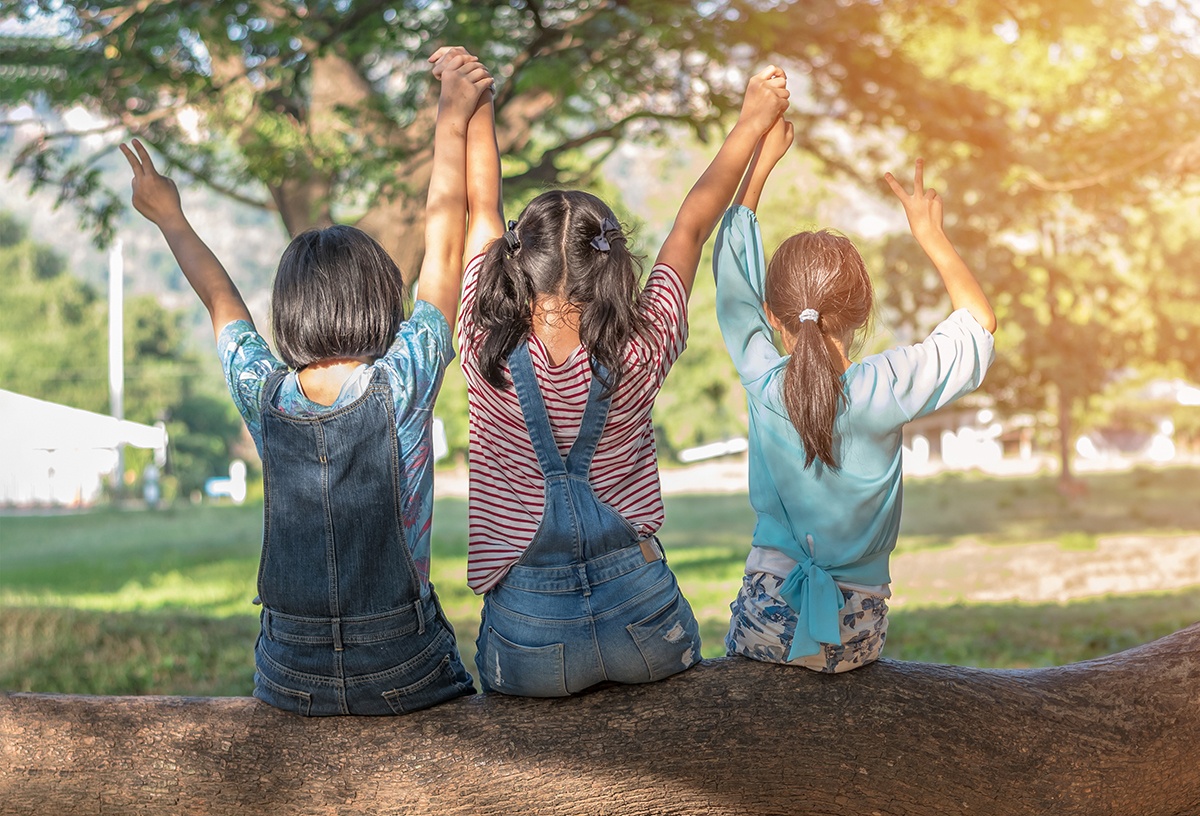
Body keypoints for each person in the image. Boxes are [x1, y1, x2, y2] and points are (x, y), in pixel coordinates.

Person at [119, 50, 495, 714]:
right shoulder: (404, 379)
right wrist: (452, 112)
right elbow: (444, 240)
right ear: (382, 302)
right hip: (401, 665)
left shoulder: (266, 397)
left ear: (289, 312)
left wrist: (170, 217)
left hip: (289, 673)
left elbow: (220, 301)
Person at [456, 61, 792, 696]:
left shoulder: (483, 336)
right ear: (609, 262)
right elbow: (691, 224)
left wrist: (476, 105)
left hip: (531, 638)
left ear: (516, 258)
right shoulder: (643, 341)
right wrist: (751, 123)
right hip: (644, 623)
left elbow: (480, 205)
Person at [714, 119, 997, 672]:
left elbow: (732, 285)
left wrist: (759, 167)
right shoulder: (887, 386)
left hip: (767, 617)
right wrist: (931, 236)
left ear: (774, 317)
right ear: (861, 314)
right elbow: (978, 325)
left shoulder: (763, 380)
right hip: (858, 633)